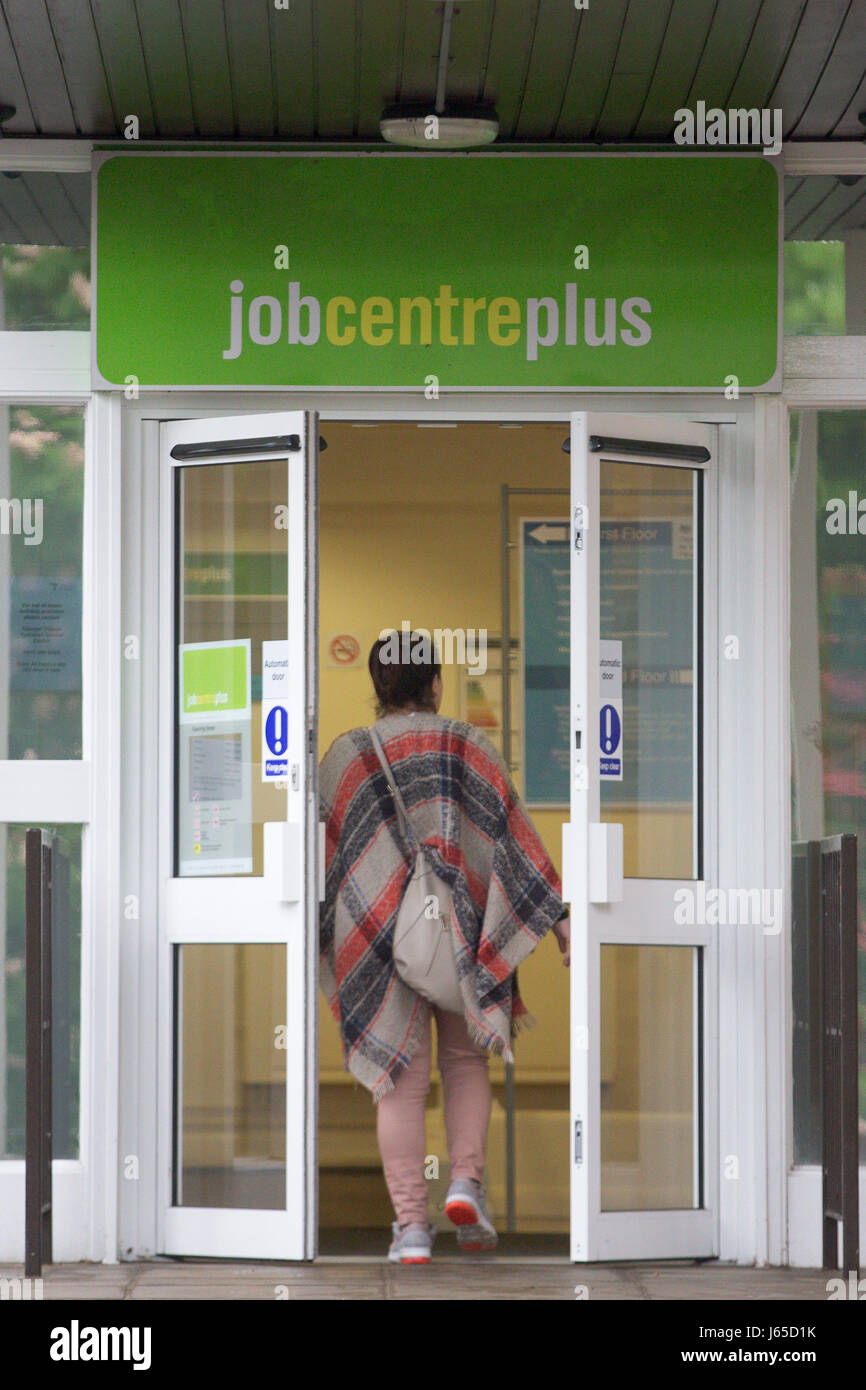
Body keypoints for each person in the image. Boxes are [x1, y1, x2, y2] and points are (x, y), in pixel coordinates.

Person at [318, 631, 570, 1263]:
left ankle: (411, 1230)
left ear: (377, 688)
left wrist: (335, 928)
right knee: (464, 1063)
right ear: (435, 683)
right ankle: (464, 1183)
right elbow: (514, 838)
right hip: (463, 933)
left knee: (399, 1082)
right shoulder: (467, 743)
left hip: (381, 939)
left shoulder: (346, 757)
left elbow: (325, 862)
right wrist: (557, 917)